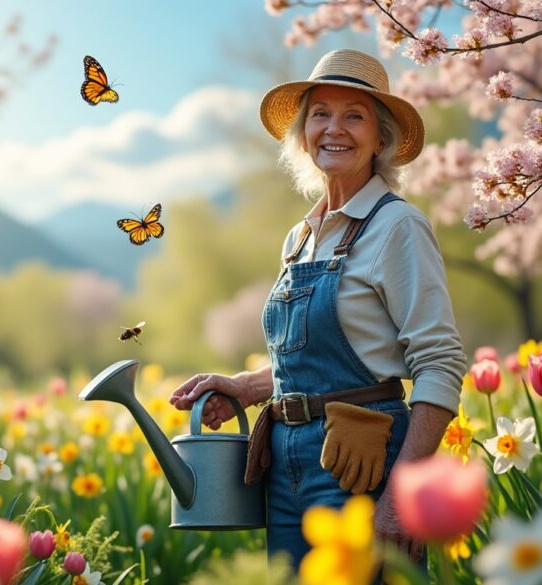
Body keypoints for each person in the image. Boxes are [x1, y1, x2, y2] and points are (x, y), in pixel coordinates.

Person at [169, 49, 465, 570]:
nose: (335, 128)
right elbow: (305, 360)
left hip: (361, 462)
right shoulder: (300, 236)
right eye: (321, 113)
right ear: (303, 132)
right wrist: (245, 386)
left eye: (355, 115)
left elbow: (440, 364)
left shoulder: (398, 227)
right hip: (284, 464)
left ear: (382, 139)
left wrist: (402, 492)